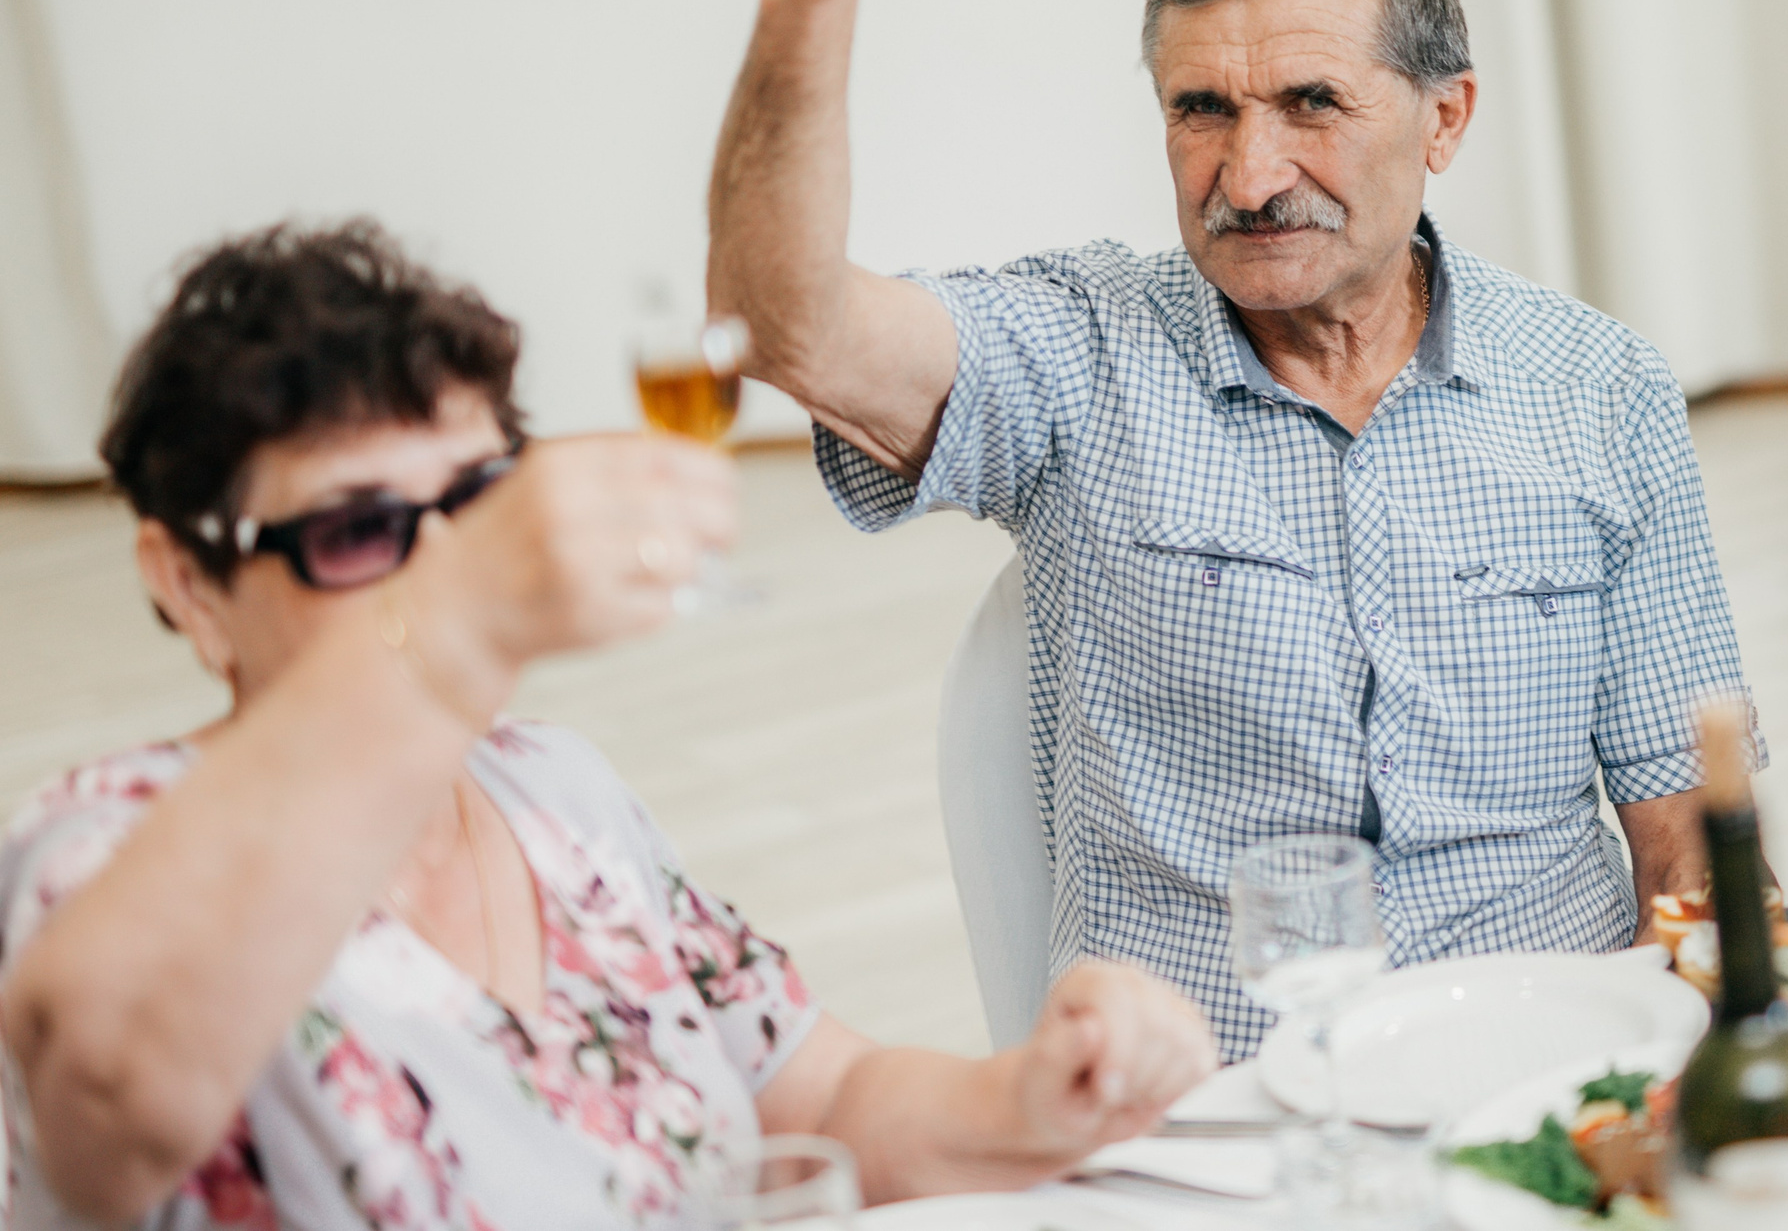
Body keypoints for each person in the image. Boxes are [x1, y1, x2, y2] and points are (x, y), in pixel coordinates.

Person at [707, 0, 1751, 1056]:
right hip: (1216, 1100)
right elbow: (783, 324)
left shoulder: (1601, 387)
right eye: (1202, 111)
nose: (1249, 179)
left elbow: (1685, 817)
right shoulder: (1082, 348)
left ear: (1446, 117)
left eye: (1311, 103)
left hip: (1549, 1063)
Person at [0, 223, 1214, 1228]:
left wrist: (1029, 1106)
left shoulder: (553, 791)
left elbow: (824, 1094)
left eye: (473, 506)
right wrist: (451, 628)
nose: (436, 566)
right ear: (186, 580)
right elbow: (115, 1093)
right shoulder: (99, 851)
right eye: (359, 531)